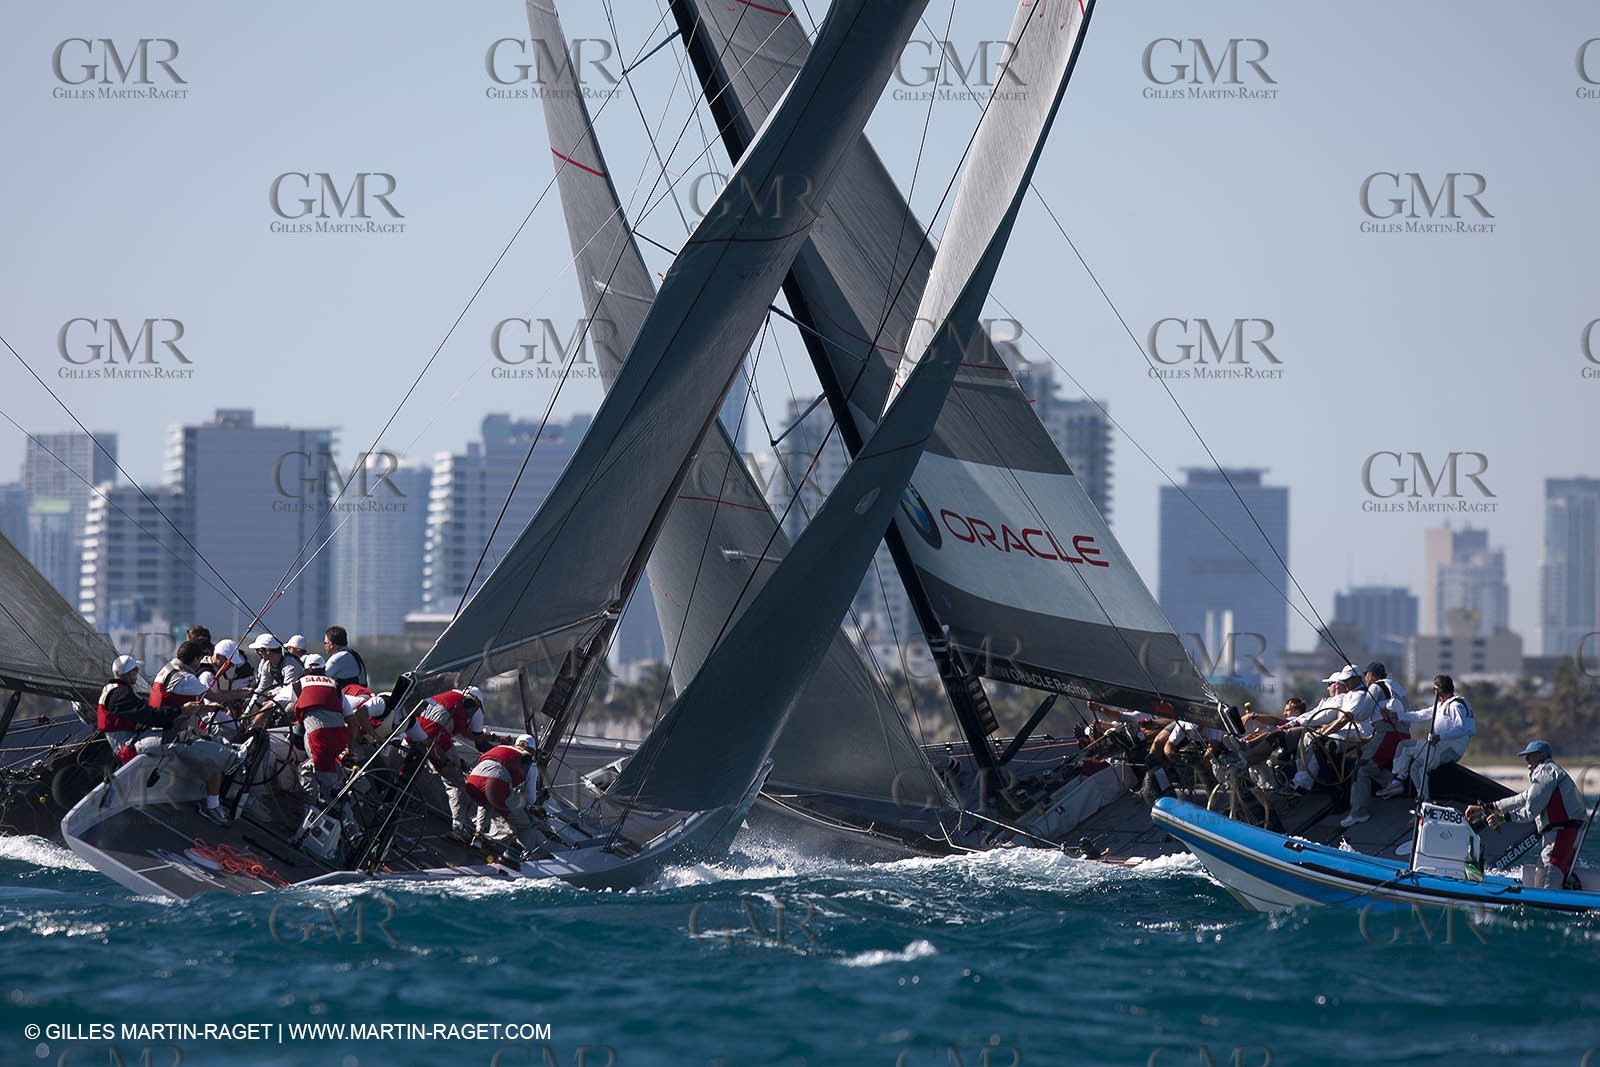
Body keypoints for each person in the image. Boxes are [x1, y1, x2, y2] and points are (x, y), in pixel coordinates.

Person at [136, 640, 255, 825]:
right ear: (195, 659)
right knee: (219, 757)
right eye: (200, 659)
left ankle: (214, 785)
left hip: (161, 728)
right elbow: (215, 696)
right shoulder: (186, 678)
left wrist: (207, 708)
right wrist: (244, 693)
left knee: (218, 745)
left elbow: (185, 704)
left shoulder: (168, 668)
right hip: (171, 735)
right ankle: (212, 806)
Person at [1468, 740, 1589, 889]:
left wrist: (1503, 818)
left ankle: (1550, 904)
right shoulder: (1550, 774)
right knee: (1544, 870)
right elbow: (1521, 798)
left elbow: (1530, 811)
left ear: (1543, 755)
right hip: (1565, 832)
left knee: (1549, 874)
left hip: (1561, 833)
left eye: (1530, 755)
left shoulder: (1545, 771)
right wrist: (1488, 807)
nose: (1526, 760)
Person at [399, 686, 488, 840]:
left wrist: (494, 737)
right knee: (458, 784)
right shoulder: (474, 708)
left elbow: (464, 732)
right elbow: (479, 742)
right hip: (438, 741)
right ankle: (458, 827)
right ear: (478, 701)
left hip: (412, 733)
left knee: (406, 770)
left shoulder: (444, 694)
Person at [1378, 675, 1473, 799]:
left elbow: (1462, 728)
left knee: (1404, 745)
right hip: (1440, 748)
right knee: (1416, 767)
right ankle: (1423, 798)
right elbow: (1421, 715)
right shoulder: (1442, 705)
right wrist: (1397, 716)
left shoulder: (1455, 706)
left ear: (1437, 690)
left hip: (1448, 749)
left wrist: (1439, 737)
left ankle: (1397, 781)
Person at [461, 734, 544, 849]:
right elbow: (531, 798)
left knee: (485, 801)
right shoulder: (529, 762)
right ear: (532, 751)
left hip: (473, 780)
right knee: (525, 825)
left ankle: (478, 837)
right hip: (496, 784)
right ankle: (523, 854)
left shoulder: (500, 748)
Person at [287, 659, 352, 807]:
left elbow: (271, 703)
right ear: (324, 671)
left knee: (309, 772)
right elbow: (352, 721)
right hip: (340, 738)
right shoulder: (334, 685)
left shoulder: (298, 684)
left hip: (319, 738)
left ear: (304, 671)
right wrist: (352, 749)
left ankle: (312, 812)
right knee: (330, 771)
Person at [97, 655, 145, 764]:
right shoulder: (119, 694)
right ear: (127, 674)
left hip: (128, 743)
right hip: (129, 749)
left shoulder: (111, 689)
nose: (137, 674)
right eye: (135, 670)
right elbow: (143, 713)